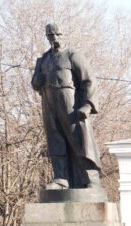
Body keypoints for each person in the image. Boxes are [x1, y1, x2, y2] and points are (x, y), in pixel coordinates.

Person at [31, 23, 103, 191]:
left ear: (63, 34)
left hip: (70, 103)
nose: (54, 38)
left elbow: (89, 80)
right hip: (49, 103)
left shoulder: (72, 55)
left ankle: (91, 178)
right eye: (51, 35)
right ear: (47, 37)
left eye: (57, 34)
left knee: (79, 139)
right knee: (55, 140)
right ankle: (61, 178)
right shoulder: (43, 59)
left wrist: (88, 105)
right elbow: (35, 83)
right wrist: (37, 81)